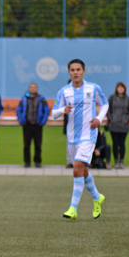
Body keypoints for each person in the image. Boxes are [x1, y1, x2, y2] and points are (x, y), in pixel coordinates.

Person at [52, 59, 108, 220]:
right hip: (72, 137)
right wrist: (63, 109)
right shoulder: (63, 91)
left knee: (76, 169)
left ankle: (73, 208)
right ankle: (97, 198)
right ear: (69, 72)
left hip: (89, 135)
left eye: (78, 69)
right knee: (83, 171)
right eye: (72, 70)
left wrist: (99, 118)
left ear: (84, 71)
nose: (75, 72)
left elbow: (105, 104)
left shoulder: (93, 87)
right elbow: (54, 113)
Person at [16, 82, 50, 168]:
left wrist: (42, 121)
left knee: (38, 145)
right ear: (29, 89)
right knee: (26, 145)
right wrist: (21, 121)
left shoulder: (41, 99)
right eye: (31, 87)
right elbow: (18, 110)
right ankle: (27, 162)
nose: (33, 89)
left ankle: (37, 161)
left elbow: (46, 110)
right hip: (27, 125)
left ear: (37, 89)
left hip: (37, 125)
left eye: (34, 87)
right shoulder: (24, 99)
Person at [106, 82, 129, 169]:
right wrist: (111, 119)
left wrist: (127, 119)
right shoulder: (112, 98)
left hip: (123, 124)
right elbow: (107, 109)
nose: (120, 89)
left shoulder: (128, 99)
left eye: (122, 88)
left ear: (124, 89)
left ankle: (121, 160)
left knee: (122, 143)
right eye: (119, 88)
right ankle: (116, 161)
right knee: (115, 143)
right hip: (114, 124)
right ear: (116, 89)